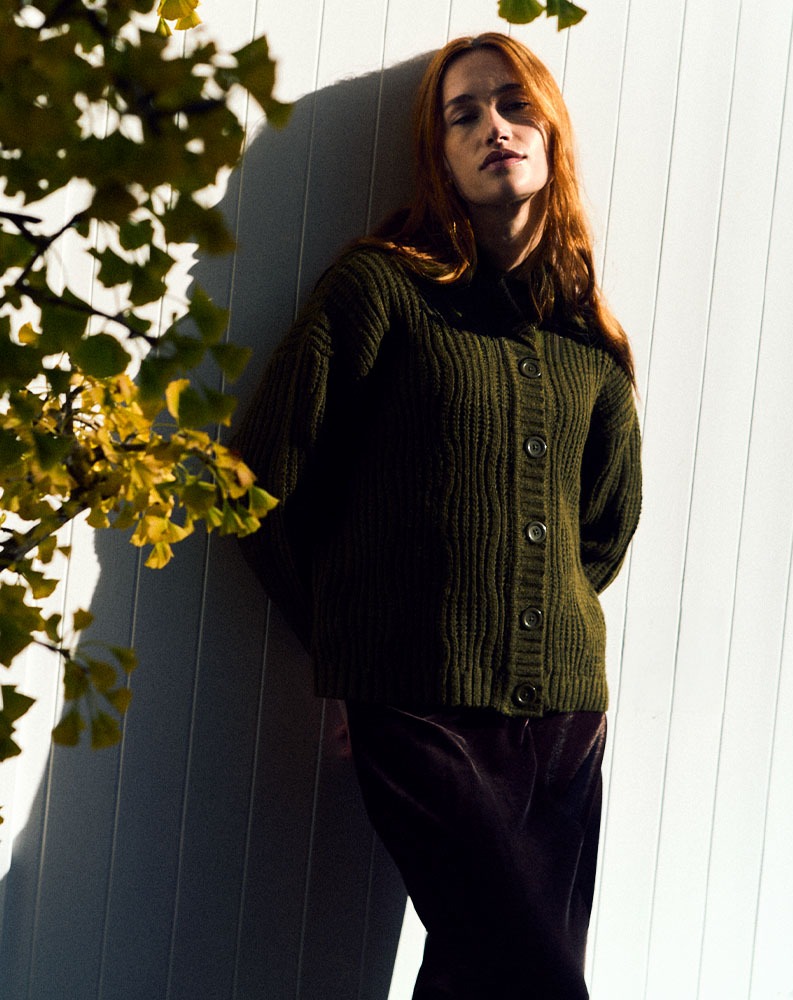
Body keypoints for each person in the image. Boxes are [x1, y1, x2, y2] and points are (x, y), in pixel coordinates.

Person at [234, 32, 642, 1000]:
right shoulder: (380, 289)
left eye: (513, 104)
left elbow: (605, 526)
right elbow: (252, 483)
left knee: (477, 974)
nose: (492, 126)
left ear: (549, 131)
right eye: (464, 114)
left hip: (565, 718)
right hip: (413, 702)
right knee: (533, 977)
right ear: (438, 152)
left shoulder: (588, 336)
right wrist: (340, 644)